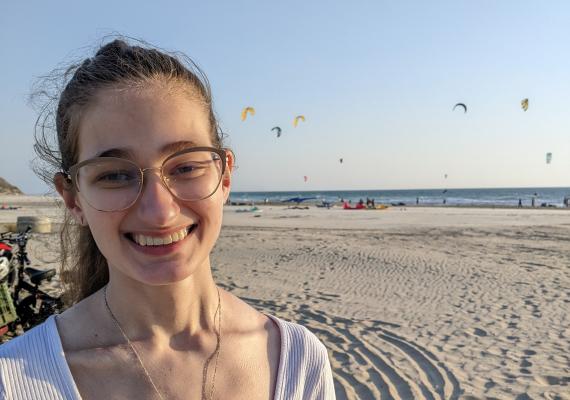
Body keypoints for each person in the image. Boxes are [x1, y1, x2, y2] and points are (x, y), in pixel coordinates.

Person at [0, 38, 335, 399]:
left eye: (187, 167)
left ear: (224, 177)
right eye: (114, 175)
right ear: (73, 198)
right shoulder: (13, 379)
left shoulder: (297, 359)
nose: (160, 212)